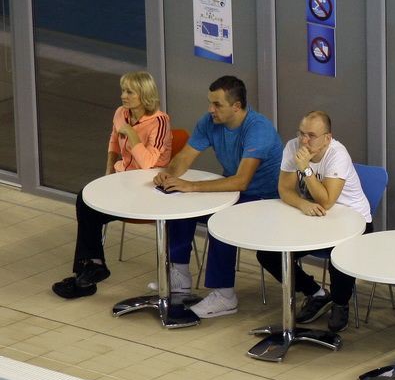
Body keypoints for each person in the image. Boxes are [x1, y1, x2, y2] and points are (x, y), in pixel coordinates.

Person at [153, 75, 283, 319]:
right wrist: (169, 176)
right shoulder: (209, 122)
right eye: (210, 103)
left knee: (221, 221)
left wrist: (191, 186)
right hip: (235, 193)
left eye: (217, 104)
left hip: (266, 199)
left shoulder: (259, 129)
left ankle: (225, 296)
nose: (210, 109)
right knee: (180, 201)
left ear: (236, 106)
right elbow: (185, 157)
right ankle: (180, 276)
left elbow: (242, 180)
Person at [52, 72, 172, 299]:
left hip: (148, 189)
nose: (123, 96)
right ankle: (92, 267)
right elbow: (113, 141)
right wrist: (107, 173)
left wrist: (131, 133)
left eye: (129, 92)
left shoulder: (160, 121)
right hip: (122, 181)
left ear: (144, 95)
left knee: (90, 211)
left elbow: (147, 163)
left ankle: (85, 277)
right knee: (85, 200)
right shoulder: (120, 113)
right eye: (123, 90)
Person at [255, 111, 373, 333]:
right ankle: (316, 293)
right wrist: (302, 204)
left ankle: (340, 303)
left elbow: (327, 201)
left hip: (354, 221)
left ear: (327, 138)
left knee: (339, 254)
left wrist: (306, 169)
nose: (304, 140)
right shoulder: (292, 147)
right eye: (301, 133)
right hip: (315, 219)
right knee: (268, 254)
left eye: (311, 135)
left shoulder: (337, 154)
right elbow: (284, 189)